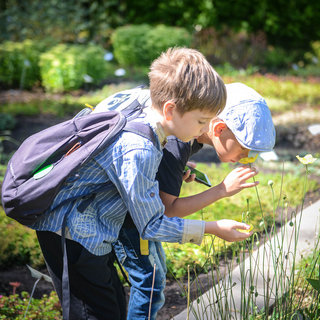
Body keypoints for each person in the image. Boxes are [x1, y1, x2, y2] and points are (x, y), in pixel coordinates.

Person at [31, 47, 254, 320]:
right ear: (170, 110)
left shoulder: (140, 100)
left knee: (112, 303)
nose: (204, 130)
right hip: (71, 233)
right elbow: (151, 225)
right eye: (201, 121)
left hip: (89, 228)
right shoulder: (141, 149)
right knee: (94, 313)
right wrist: (214, 228)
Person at [97, 82, 275, 319]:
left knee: (154, 275)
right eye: (245, 149)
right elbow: (166, 212)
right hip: (128, 217)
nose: (247, 158)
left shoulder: (189, 135)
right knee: (149, 283)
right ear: (219, 128)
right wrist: (222, 190)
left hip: (133, 209)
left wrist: (175, 170)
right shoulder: (179, 139)